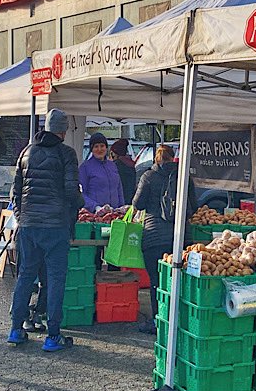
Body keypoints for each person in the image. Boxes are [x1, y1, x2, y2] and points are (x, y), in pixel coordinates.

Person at [7, 108, 82, 351]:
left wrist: (21, 217)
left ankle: (16, 329)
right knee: (56, 278)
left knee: (25, 276)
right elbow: (71, 192)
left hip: (28, 226)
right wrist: (80, 202)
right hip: (56, 225)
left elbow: (15, 192)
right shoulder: (66, 154)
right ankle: (53, 335)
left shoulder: (26, 152)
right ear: (63, 130)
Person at [131, 145, 197, 334]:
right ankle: (180, 320)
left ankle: (157, 321)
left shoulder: (148, 176)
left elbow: (138, 203)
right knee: (182, 279)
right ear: (173, 157)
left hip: (154, 237)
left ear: (156, 158)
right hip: (182, 236)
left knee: (157, 282)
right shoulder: (184, 176)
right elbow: (194, 205)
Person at [79, 132, 123, 210]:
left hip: (114, 214)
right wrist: (95, 207)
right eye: (96, 146)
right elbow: (81, 194)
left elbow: (119, 190)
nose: (99, 149)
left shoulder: (112, 166)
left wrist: (121, 207)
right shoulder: (85, 167)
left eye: (102, 146)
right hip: (94, 215)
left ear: (106, 148)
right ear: (91, 149)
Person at [109, 139, 138, 205]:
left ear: (114, 153)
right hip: (130, 201)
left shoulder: (115, 166)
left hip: (117, 202)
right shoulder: (130, 165)